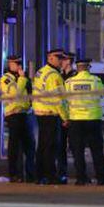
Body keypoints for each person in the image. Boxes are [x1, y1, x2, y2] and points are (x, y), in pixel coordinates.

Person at [65, 59, 104, 186]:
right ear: (88, 67)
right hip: (93, 119)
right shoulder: (96, 81)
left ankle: (81, 178)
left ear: (77, 68)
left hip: (76, 120)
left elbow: (65, 99)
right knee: (97, 150)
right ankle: (101, 178)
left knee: (78, 151)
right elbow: (101, 95)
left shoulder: (69, 82)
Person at [33, 49, 69, 185]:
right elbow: (59, 100)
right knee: (51, 147)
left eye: (62, 58)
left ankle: (39, 175)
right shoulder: (55, 76)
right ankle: (51, 176)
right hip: (50, 114)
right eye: (58, 58)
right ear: (50, 58)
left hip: (40, 112)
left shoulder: (40, 72)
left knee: (42, 146)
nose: (61, 61)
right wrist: (65, 117)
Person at [0, 55, 35, 183]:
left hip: (25, 114)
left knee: (30, 146)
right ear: (9, 65)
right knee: (14, 147)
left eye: (19, 63)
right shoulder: (5, 79)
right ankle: (14, 174)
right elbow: (15, 94)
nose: (18, 66)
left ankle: (30, 174)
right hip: (13, 115)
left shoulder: (22, 78)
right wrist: (23, 79)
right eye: (15, 64)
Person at [57, 52, 77, 184]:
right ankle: (62, 173)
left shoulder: (74, 76)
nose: (60, 62)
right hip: (62, 116)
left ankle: (80, 173)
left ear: (68, 62)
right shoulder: (59, 76)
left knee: (76, 146)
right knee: (61, 147)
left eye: (62, 60)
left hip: (73, 115)